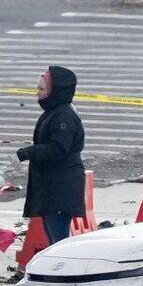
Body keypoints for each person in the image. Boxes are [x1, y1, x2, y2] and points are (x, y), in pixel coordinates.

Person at [16, 65, 85, 243]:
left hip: (60, 190)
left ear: (55, 90)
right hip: (52, 189)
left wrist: (27, 152)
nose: (37, 93)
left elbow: (58, 149)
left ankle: (64, 270)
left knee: (58, 241)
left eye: (41, 89)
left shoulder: (63, 116)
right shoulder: (54, 112)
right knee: (54, 239)